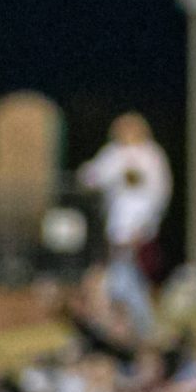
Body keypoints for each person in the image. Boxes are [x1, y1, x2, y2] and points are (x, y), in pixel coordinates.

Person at [76, 113, 172, 338]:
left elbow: (160, 192)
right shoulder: (114, 154)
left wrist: (146, 225)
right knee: (115, 277)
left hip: (141, 230)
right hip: (116, 227)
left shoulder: (152, 155)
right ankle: (117, 327)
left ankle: (143, 327)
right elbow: (94, 176)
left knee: (136, 278)